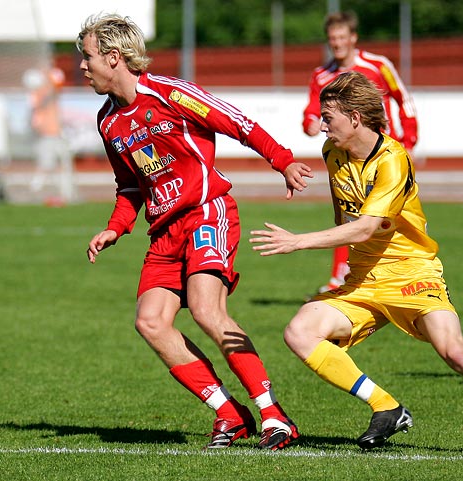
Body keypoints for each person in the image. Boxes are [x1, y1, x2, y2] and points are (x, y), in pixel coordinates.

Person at [250, 71, 463, 457]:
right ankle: (386, 407)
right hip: (363, 280)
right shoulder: (332, 153)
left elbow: (365, 228)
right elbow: (346, 218)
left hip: (412, 274)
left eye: (329, 117)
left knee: (454, 351)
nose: (321, 126)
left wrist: (298, 241)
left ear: (355, 118)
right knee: (300, 332)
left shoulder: (393, 160)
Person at [78, 13, 312, 450]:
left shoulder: (170, 93)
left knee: (207, 310)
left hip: (208, 213)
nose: (82, 66)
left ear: (114, 58)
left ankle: (274, 415)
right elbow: (130, 186)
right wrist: (115, 228)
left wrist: (283, 161)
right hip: (165, 233)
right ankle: (230, 413)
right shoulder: (108, 121)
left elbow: (237, 122)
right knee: (150, 322)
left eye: (87, 57)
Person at [302, 12, 419, 293]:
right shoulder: (322, 75)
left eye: (342, 37)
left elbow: (404, 100)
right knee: (350, 213)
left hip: (384, 154)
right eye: (332, 39)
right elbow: (310, 113)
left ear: (353, 37)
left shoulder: (378, 65)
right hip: (350, 157)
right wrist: (310, 124)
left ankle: (409, 273)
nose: (337, 44)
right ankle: (343, 278)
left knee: (393, 218)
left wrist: (410, 142)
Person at [24, 65, 75, 203]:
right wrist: (51, 80)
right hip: (46, 136)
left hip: (56, 135)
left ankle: (65, 193)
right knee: (46, 165)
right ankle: (35, 188)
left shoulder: (45, 94)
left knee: (62, 163)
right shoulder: (37, 96)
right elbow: (42, 103)